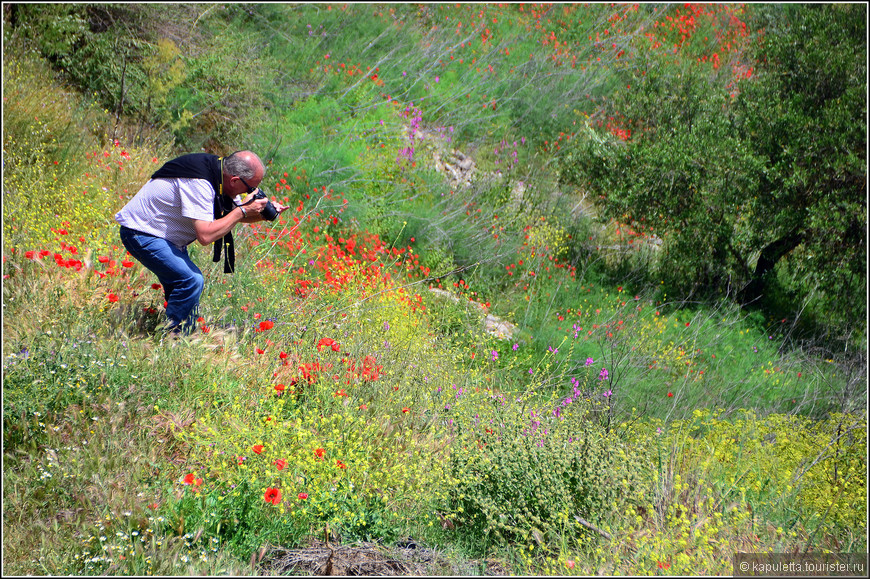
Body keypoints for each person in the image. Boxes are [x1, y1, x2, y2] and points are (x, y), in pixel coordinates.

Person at [115, 150, 286, 334]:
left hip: (164, 237)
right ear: (235, 180)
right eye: (250, 188)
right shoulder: (200, 182)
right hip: (141, 231)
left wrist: (261, 215)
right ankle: (175, 341)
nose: (250, 192)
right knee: (190, 280)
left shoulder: (220, 175)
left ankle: (179, 338)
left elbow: (229, 216)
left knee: (182, 287)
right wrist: (243, 210)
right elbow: (205, 236)